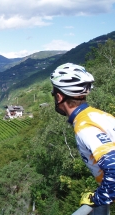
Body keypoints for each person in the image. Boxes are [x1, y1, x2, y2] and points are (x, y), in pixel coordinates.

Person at [50, 63, 115, 214]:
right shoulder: (98, 115)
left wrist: (97, 198)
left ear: (59, 97)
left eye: (54, 94)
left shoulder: (84, 126)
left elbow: (113, 166)